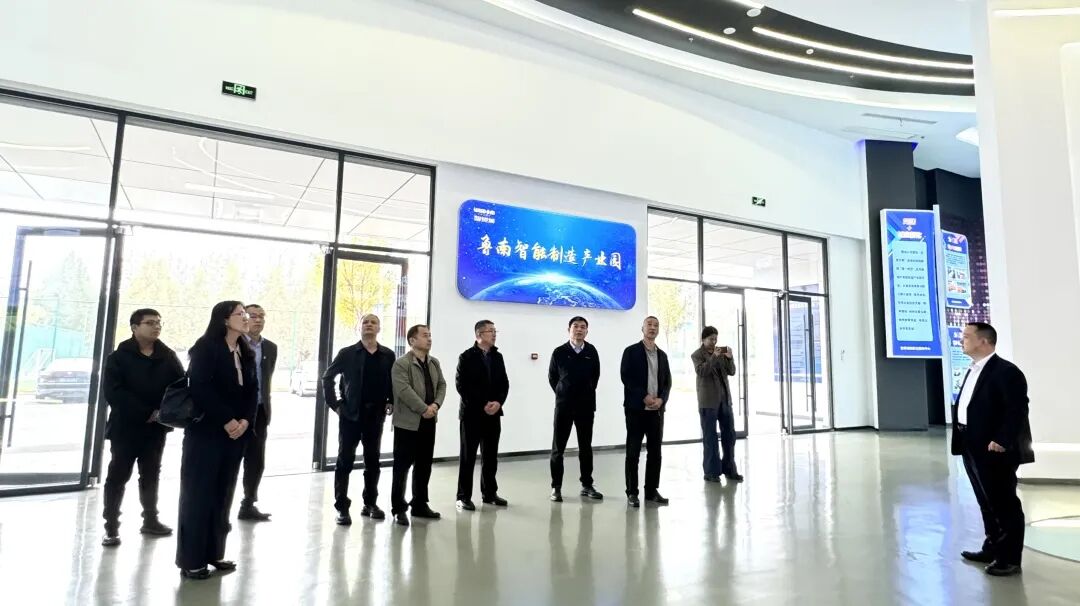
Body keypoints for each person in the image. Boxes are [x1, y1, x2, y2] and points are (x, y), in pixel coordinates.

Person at [176, 301, 257, 580]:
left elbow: (253, 390)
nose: (246, 318)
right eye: (240, 314)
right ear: (224, 319)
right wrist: (226, 419)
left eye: (246, 314)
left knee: (223, 495)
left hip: (235, 435)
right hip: (207, 433)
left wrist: (245, 421)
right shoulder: (206, 347)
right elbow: (199, 387)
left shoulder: (245, 350)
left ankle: (214, 553)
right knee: (198, 496)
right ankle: (191, 560)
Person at [951, 322, 1034, 577]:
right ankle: (992, 548)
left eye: (966, 336)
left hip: (994, 448)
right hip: (970, 443)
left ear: (984, 341)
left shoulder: (1007, 372)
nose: (961, 340)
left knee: (1003, 503)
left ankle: (1009, 559)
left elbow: (1017, 409)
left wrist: (1002, 439)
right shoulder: (973, 369)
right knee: (985, 501)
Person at [100, 308, 186, 547]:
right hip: (125, 427)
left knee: (150, 474)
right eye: (150, 323)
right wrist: (146, 412)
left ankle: (150, 520)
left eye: (159, 322)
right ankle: (111, 527)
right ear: (134, 327)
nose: (156, 326)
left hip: (156, 427)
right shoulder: (118, 357)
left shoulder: (167, 356)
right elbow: (113, 393)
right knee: (118, 475)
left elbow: (180, 387)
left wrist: (162, 412)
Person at [323, 313, 396, 525]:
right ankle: (342, 507)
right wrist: (336, 405)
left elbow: (393, 381)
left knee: (373, 462)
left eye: (373, 322)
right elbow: (327, 377)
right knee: (344, 461)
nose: (369, 325)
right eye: (365, 322)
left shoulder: (388, 355)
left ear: (379, 328)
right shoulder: (347, 353)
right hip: (350, 416)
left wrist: (391, 400)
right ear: (360, 328)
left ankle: (370, 503)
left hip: (375, 417)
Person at [390, 324, 446, 527]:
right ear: (412, 340)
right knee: (402, 467)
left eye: (430, 335)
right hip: (407, 424)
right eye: (424, 335)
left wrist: (436, 405)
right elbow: (403, 390)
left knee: (424, 464)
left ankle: (420, 504)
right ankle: (399, 508)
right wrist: (423, 408)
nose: (429, 339)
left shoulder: (434, 362)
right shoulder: (401, 364)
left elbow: (442, 385)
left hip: (429, 421)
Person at [455, 320, 510, 511]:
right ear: (479, 334)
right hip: (471, 414)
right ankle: (463, 496)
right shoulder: (466, 357)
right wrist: (483, 404)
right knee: (468, 456)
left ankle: (489, 493)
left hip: (493, 414)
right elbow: (462, 386)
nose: (494, 334)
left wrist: (498, 402)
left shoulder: (497, 356)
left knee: (490, 456)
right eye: (490, 331)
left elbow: (504, 383)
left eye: (495, 331)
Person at [548, 316, 603, 502]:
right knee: (558, 449)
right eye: (575, 326)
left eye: (583, 327)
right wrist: (563, 393)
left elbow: (595, 377)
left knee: (585, 447)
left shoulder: (591, 351)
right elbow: (553, 378)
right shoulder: (559, 352)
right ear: (569, 330)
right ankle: (556, 487)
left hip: (586, 407)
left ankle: (587, 485)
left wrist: (585, 393)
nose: (579, 329)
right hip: (564, 407)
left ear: (587, 331)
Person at [620, 316, 672, 508]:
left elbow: (667, 382)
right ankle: (632, 492)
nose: (652, 328)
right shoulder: (631, 351)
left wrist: (661, 399)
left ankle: (651, 491)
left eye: (656, 325)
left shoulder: (662, 356)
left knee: (655, 453)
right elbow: (626, 377)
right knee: (633, 453)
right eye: (649, 324)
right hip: (636, 410)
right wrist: (644, 396)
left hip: (656, 411)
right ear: (642, 328)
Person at [236, 304, 277, 522]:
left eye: (262, 316)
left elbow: (266, 378)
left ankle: (248, 504)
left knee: (256, 460)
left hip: (259, 412)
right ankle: (218, 506)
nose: (258, 320)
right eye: (253, 316)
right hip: (235, 412)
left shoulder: (270, 347)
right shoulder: (233, 343)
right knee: (230, 459)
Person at [691, 326, 742, 484]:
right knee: (710, 437)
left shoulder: (720, 353)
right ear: (703, 339)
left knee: (729, 436)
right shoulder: (697, 355)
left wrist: (729, 358)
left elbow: (731, 371)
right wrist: (714, 357)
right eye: (711, 339)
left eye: (715, 339)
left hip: (725, 400)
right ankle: (711, 472)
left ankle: (730, 470)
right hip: (708, 402)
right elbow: (702, 371)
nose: (714, 342)